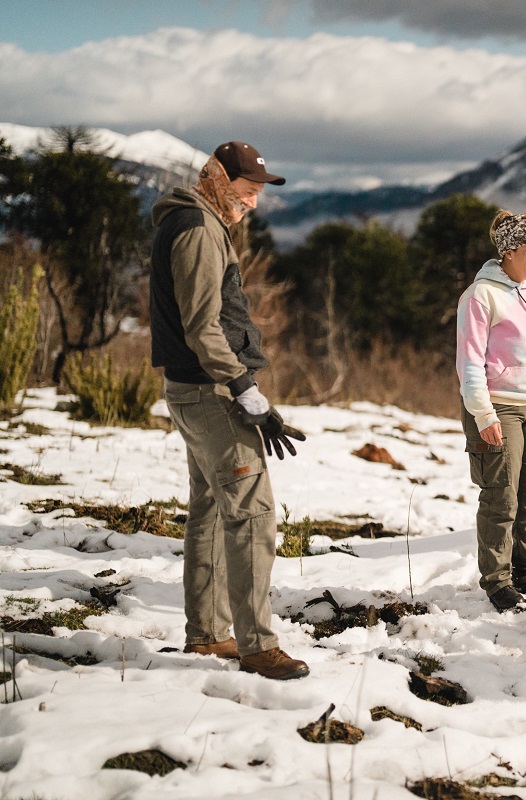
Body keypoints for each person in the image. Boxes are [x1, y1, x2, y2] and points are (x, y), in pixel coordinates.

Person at [150, 141, 309, 680]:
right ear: (217, 179)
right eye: (245, 189)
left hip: (196, 389)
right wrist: (245, 389)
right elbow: (202, 326)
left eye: (258, 191)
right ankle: (257, 645)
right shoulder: (197, 229)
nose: (253, 201)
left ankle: (209, 634)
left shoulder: (198, 222)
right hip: (210, 391)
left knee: (212, 511)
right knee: (252, 513)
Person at [456, 210, 526, 613]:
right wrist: (484, 416)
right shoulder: (479, 296)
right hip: (498, 406)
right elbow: (469, 363)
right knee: (501, 497)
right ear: (507, 252)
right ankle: (498, 581)